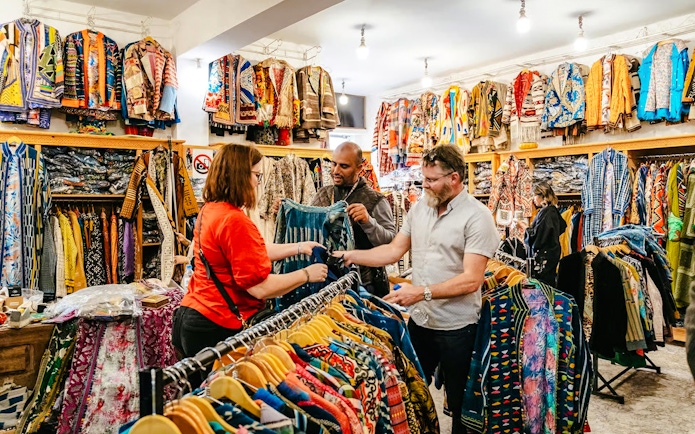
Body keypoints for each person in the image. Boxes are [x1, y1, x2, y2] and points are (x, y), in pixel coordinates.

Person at [337, 144, 499, 434]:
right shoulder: (420, 209)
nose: (425, 185)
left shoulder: (478, 217)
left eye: (432, 180)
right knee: (409, 394)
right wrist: (350, 256)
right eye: (423, 178)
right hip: (421, 324)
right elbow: (393, 250)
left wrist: (420, 292)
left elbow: (471, 280)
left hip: (458, 328)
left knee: (462, 406)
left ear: (455, 178)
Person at [172, 144, 328, 363]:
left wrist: (299, 247)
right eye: (256, 175)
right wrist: (306, 275)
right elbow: (259, 287)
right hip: (217, 325)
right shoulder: (233, 220)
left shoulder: (211, 209)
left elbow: (248, 252)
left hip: (193, 315)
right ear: (240, 176)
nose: (257, 181)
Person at [312, 141, 396, 296]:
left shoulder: (375, 200)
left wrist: (368, 222)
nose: (335, 171)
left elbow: (391, 243)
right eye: (333, 164)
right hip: (325, 280)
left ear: (359, 167)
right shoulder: (323, 194)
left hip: (365, 283)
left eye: (344, 166)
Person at [518, 181, 567, 286]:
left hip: (544, 259)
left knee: (542, 287)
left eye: (535, 195)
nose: (533, 199)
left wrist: (525, 227)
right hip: (550, 256)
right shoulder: (551, 211)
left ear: (542, 196)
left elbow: (538, 238)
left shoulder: (547, 213)